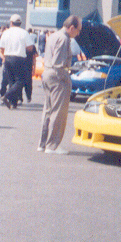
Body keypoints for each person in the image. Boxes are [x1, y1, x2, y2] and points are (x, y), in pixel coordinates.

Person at [39, 15, 82, 154]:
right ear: (71, 28)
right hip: (57, 76)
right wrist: (66, 78)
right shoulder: (64, 39)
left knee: (48, 110)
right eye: (78, 30)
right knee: (58, 112)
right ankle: (53, 146)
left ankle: (43, 144)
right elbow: (58, 63)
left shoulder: (53, 35)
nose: (78, 33)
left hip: (47, 73)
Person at [0, 14, 36, 109]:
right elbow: (30, 48)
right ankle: (7, 95)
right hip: (19, 58)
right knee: (21, 80)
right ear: (20, 23)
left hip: (8, 58)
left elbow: (1, 48)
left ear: (11, 23)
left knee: (12, 80)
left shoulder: (6, 33)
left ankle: (13, 102)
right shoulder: (24, 33)